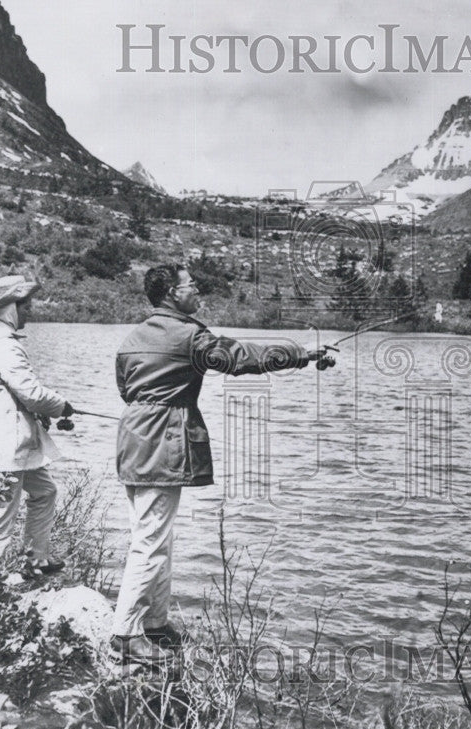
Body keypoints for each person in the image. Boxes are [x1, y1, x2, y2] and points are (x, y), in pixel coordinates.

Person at [110, 263, 324, 666]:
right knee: (151, 540)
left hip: (132, 442)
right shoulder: (191, 335)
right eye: (191, 285)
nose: (198, 291)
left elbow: (126, 390)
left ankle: (155, 624)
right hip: (162, 444)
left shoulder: (131, 337)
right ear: (174, 294)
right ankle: (124, 635)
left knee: (156, 535)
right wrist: (300, 355)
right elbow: (240, 358)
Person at [0, 274, 75, 577]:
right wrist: (61, 406)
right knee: (1, 513)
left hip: (9, 443)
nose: (30, 310)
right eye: (25, 305)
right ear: (9, 308)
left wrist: (43, 409)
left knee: (45, 492)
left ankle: (36, 560)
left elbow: (18, 395)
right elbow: (32, 393)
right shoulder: (4, 345)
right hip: (7, 447)